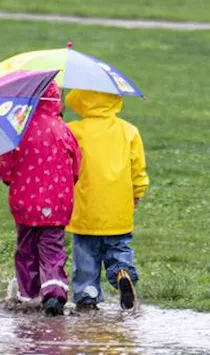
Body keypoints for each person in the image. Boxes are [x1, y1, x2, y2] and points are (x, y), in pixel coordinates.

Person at [0, 83, 82, 317]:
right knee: (52, 248)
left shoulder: (18, 129)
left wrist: (8, 178)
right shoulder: (63, 129)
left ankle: (29, 295)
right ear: (57, 102)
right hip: (57, 204)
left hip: (25, 204)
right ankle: (54, 292)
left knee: (26, 249)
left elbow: (5, 165)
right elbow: (76, 165)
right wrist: (67, 183)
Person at [64, 89, 149, 311]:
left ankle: (86, 296)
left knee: (86, 254)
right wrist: (137, 193)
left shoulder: (73, 130)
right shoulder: (129, 131)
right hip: (119, 206)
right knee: (119, 246)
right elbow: (137, 168)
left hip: (85, 207)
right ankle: (123, 272)